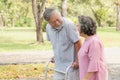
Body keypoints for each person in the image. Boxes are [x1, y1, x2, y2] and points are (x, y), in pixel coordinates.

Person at [43, 8, 82, 80]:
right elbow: (56, 43)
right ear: (48, 22)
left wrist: (78, 60)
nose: (57, 23)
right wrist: (56, 55)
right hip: (58, 66)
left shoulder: (69, 25)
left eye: (58, 19)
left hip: (71, 66)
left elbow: (78, 42)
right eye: (53, 22)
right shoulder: (48, 28)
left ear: (60, 15)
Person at [78, 15, 108, 80]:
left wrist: (85, 79)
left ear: (84, 27)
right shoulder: (87, 40)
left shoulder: (94, 42)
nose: (76, 28)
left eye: (78, 26)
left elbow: (94, 65)